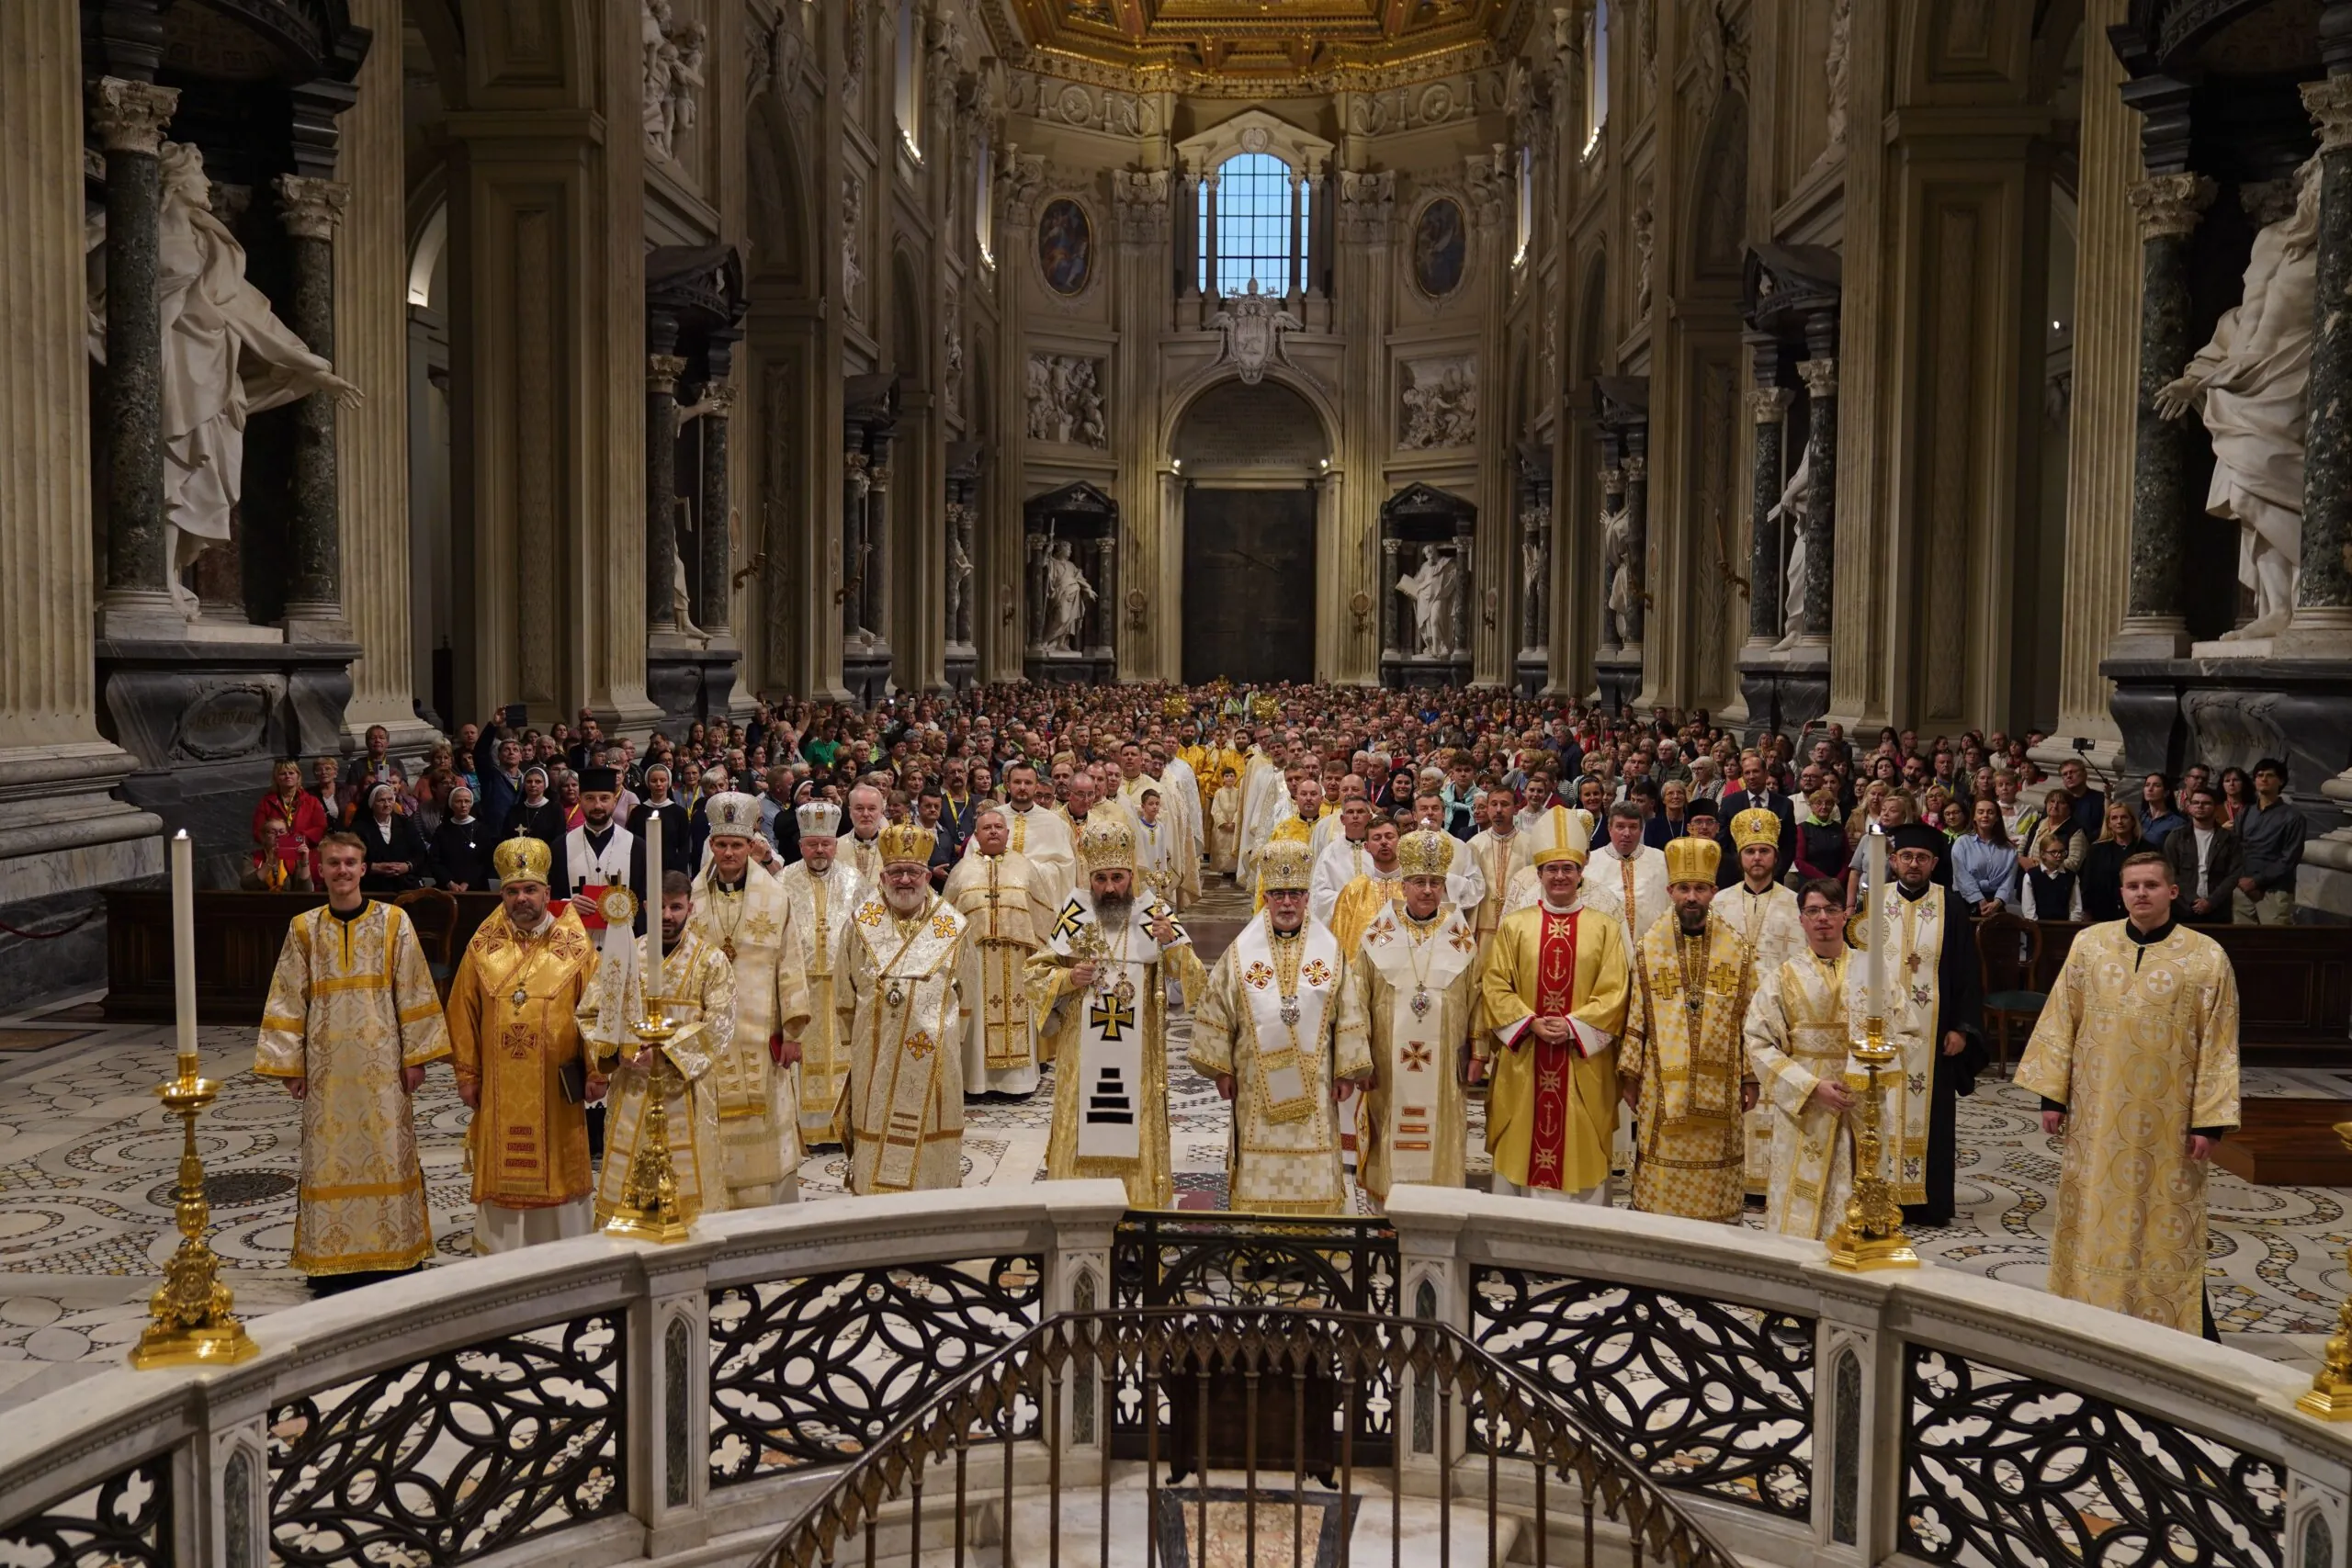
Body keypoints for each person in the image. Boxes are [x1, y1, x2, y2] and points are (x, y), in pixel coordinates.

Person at [2018, 852, 2241, 1337]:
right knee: (2093, 1214)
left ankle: (2172, 1323)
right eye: (2132, 885)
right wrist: (2052, 1097)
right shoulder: (2089, 945)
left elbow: (2219, 1041)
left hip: (2170, 1121)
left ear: (2172, 891)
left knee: (2165, 1218)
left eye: (2151, 885)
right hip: (2097, 1117)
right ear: (2120, 892)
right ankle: (2084, 1319)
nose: (2141, 893)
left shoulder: (2206, 957)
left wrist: (2210, 1120)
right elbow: (2062, 1019)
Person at [254, 832, 449, 1292]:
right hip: (326, 1070)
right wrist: (291, 1065)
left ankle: (395, 1254)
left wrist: (416, 1056)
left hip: (382, 1065)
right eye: (334, 863)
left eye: (350, 863)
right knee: (328, 1158)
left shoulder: (393, 922)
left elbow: (415, 989)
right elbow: (287, 997)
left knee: (386, 1154)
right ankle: (331, 1260)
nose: (342, 871)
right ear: (320, 869)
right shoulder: (304, 928)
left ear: (364, 868)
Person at [1028, 817, 1204, 1206]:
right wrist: (1069, 977)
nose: (1109, 888)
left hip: (1137, 1052)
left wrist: (1171, 942)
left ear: (1131, 875)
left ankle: (1140, 1208)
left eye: (1118, 878)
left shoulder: (1154, 912)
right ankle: (1075, 1210)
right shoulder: (1074, 911)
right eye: (1101, 878)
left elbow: (1195, 978)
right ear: (1089, 877)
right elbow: (1036, 972)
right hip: (1081, 1050)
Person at [1189, 838, 1371, 1214]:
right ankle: (1257, 1238)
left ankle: (1315, 1235)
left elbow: (1349, 1012)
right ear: (1266, 897)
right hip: (1254, 1083)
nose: (1287, 902)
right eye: (1278, 894)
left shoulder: (1331, 951)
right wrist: (1220, 1068)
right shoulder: (1240, 953)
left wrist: (1346, 1072)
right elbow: (1218, 1008)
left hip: (1316, 1082)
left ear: (1307, 898)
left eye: (1295, 894)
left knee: (1313, 1155)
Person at [447, 836, 600, 1253]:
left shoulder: (577, 949)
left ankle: (566, 1251)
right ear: (503, 895)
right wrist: (467, 1074)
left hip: (557, 1089)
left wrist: (597, 1070)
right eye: (513, 891)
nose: (522, 899)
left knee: (560, 1168)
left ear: (547, 894)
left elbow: (596, 1010)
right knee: (503, 1166)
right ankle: (502, 1251)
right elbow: (463, 1012)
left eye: (530, 889)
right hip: (499, 1087)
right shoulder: (481, 948)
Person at [1475, 806, 1631, 1203]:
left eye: (1567, 869)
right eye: (1552, 869)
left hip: (1581, 1061)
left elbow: (1615, 991)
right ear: (1539, 874)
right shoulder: (1515, 925)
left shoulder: (1605, 927)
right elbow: (1495, 984)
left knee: (1580, 1144)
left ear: (1581, 873)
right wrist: (1529, 1022)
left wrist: (1574, 1026)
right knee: (1523, 1143)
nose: (1560, 876)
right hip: (1527, 1054)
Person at [1615, 838, 1758, 1223]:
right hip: (1661, 1084)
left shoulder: (1738, 949)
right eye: (1683, 889)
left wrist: (1749, 1075)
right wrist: (1629, 1075)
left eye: (1699, 889)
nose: (1691, 897)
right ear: (1670, 892)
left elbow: (1748, 1018)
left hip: (1723, 1083)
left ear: (1713, 891)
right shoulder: (1649, 948)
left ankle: (1718, 1226)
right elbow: (1636, 1015)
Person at [1335, 830, 1479, 1209]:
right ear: (1405, 885)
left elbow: (1478, 999)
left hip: (1446, 1065)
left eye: (1435, 882)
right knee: (1390, 1135)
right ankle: (1387, 1218)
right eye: (1419, 882)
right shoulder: (1377, 936)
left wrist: (1478, 1053)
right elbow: (1356, 1001)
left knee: (1439, 1135)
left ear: (1444, 885)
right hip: (1386, 1066)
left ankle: (1440, 1214)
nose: (1427, 891)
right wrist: (1359, 1061)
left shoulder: (1461, 938)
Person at [580, 871, 729, 1225]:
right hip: (632, 1089)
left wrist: (666, 1052)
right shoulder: (625, 956)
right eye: (660, 906)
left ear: (690, 908)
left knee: (688, 1200)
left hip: (688, 1094)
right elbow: (590, 1012)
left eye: (676, 907)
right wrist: (616, 1051)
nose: (667, 915)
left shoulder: (710, 960)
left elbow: (722, 1023)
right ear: (646, 906)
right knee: (628, 1195)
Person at [1859, 822, 1986, 1228]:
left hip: (1935, 1034)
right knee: (1877, 1111)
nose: (1914, 864)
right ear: (1893, 861)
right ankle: (1875, 1194)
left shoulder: (1951, 904)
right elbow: (1857, 967)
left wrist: (1962, 1028)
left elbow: (1968, 972)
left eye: (1922, 858)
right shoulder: (1874, 903)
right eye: (1906, 857)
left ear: (1934, 863)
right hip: (1881, 1032)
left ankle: (1924, 1203)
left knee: (1929, 1114)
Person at [691, 792, 815, 1205]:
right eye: (721, 844)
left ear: (752, 845)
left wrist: (793, 1030)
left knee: (767, 1115)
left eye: (737, 845)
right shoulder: (690, 903)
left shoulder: (776, 898)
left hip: (762, 1036)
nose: (728, 852)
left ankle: (768, 1209)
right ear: (711, 846)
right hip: (708, 1035)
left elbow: (791, 963)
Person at [1743, 878, 1880, 1240]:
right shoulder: (1782, 978)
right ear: (1801, 919)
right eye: (1813, 911)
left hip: (1860, 1100)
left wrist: (1863, 1073)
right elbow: (1758, 1041)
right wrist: (1811, 1086)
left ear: (1844, 917)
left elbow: (1905, 1034)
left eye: (1831, 910)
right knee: (1800, 1205)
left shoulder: (1873, 973)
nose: (1823, 918)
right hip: (1805, 1105)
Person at [838, 822, 968, 1194]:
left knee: (931, 1124)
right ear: (883, 876)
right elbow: (844, 990)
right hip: (874, 1050)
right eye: (897, 872)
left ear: (928, 875)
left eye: (913, 872)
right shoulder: (860, 924)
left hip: (935, 1055)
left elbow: (968, 996)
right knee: (874, 1119)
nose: (905, 880)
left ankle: (933, 1197)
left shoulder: (953, 927)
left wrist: (952, 1042)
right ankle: (873, 1197)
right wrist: (856, 1039)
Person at [945, 806, 1059, 1098]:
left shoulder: (1025, 867)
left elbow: (1043, 914)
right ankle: (978, 1082)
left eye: (998, 827)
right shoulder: (962, 871)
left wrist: (1043, 957)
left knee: (1019, 1013)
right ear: (976, 834)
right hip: (976, 961)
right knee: (978, 1020)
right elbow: (947, 918)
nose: (994, 831)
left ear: (1007, 833)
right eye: (987, 828)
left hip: (1019, 960)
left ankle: (1017, 1083)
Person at [1724, 807, 1803, 1201]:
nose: (1757, 858)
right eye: (1750, 851)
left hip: (1779, 1021)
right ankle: (1733, 1173)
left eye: (1764, 851)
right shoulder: (1718, 903)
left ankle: (1771, 1176)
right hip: (1729, 1019)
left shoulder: (1796, 904)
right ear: (1740, 856)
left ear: (1776, 857)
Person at [774, 801, 862, 1149]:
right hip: (802, 988)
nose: (820, 850)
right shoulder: (782, 881)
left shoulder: (856, 881)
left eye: (826, 843)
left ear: (836, 844)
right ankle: (807, 1130)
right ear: (801, 846)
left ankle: (843, 1126)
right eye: (813, 844)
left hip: (842, 986)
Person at [2234, 757, 2305, 925]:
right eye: (2259, 775)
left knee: (2274, 943)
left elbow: (2290, 857)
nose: (2264, 779)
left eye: (2269, 775)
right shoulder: (2245, 812)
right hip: (2242, 887)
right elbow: (2235, 848)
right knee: (2240, 942)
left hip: (2275, 890)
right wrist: (2241, 880)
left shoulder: (2293, 816)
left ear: (2280, 781)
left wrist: (2257, 882)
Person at [2164, 784, 2244, 926]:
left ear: (2216, 807)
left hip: (2218, 910)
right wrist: (2192, 900)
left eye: (2206, 803)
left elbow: (2234, 874)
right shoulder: (2177, 837)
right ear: (2189, 807)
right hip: (2183, 909)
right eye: (2196, 803)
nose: (2200, 806)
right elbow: (2169, 871)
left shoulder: (2229, 839)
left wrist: (2210, 902)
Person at [1328, 817, 1408, 953]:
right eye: (1377, 838)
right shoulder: (1353, 892)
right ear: (1366, 847)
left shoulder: (1412, 889)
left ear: (1400, 842)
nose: (1383, 842)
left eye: (1389, 837)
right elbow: (1338, 942)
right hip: (1361, 972)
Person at [254, 758, 329, 878]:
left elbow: (321, 828)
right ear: (276, 778)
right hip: (276, 856)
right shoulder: (266, 802)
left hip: (305, 854)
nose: (287, 776)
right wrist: (275, 841)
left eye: (291, 773)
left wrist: (298, 838)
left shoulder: (311, 801)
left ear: (298, 776)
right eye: (283, 773)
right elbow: (258, 831)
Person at [503, 765, 571, 893]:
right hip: (520, 867)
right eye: (529, 781)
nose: (533, 785)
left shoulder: (555, 809)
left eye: (538, 781)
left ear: (545, 785)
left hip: (546, 867)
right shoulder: (515, 810)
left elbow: (559, 840)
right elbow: (507, 840)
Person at [357, 783, 435, 894]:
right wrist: (374, 867)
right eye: (381, 800)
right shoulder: (360, 828)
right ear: (371, 803)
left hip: (405, 886)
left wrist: (407, 866)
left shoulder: (405, 824)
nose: (387, 804)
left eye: (390, 799)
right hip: (373, 887)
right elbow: (352, 859)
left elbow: (421, 854)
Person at [1951, 798, 2019, 918]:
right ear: (1974, 817)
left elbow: (2009, 880)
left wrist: (1997, 903)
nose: (1985, 816)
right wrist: (1980, 901)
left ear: (1997, 817)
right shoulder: (1962, 843)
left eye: (1990, 812)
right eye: (1981, 812)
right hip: (1966, 900)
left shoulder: (2009, 849)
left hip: (1996, 904)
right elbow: (1962, 877)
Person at [2080, 802, 2146, 923]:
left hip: (2138, 911)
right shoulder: (2096, 850)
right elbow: (2087, 883)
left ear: (2132, 821)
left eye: (2124, 817)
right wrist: (2086, 911)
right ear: (2109, 824)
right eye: (2114, 818)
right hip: (2102, 913)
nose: (2119, 821)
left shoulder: (2147, 848)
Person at [431, 783, 492, 891]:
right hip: (447, 887)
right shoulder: (442, 830)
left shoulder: (481, 829)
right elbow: (434, 860)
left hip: (476, 887)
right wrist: (449, 883)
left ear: (471, 803)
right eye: (459, 801)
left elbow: (485, 861)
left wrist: (467, 882)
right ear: (451, 804)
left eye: (467, 801)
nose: (463, 805)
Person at [1794, 785, 1851, 885]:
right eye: (1819, 803)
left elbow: (1847, 860)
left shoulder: (1839, 829)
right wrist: (1826, 880)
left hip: (1837, 884)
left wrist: (1838, 880)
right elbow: (1799, 862)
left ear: (1833, 807)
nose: (1824, 807)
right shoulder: (1802, 828)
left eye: (1828, 803)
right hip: (1811, 883)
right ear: (1811, 806)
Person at [245, 817, 315, 891]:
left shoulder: (294, 859)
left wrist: (305, 864)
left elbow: (306, 891)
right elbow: (246, 885)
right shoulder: (253, 858)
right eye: (273, 832)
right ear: (264, 837)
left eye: (282, 832)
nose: (278, 835)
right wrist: (269, 863)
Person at [1208, 766, 1242, 876]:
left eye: (1232, 776)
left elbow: (1240, 808)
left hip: (1234, 825)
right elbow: (1215, 809)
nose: (1229, 778)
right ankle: (1224, 871)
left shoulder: (1238, 792)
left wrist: (1234, 822)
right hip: (1222, 826)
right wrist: (1223, 823)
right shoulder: (1218, 792)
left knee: (1233, 846)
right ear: (1223, 778)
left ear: (1235, 778)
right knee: (1222, 848)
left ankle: (1234, 871)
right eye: (1226, 776)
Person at [2138, 774, 2188, 846]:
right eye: (2147, 785)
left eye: (2157, 785)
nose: (2150, 789)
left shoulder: (2177, 823)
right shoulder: (2141, 817)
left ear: (2166, 793)